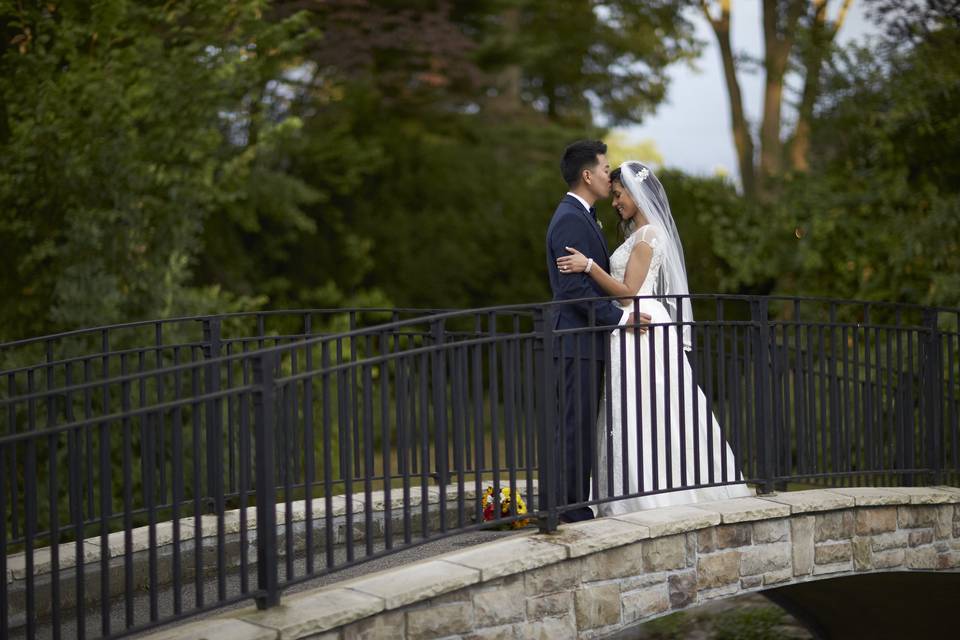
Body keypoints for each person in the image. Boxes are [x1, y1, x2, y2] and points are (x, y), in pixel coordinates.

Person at [556, 161, 752, 515]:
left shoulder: (648, 236)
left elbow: (630, 292)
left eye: (619, 195)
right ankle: (633, 486)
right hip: (631, 326)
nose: (615, 202)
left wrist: (589, 266)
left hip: (640, 324)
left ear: (636, 193)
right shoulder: (638, 234)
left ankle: (652, 491)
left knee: (647, 409)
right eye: (614, 195)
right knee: (635, 409)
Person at [545, 141, 650, 522]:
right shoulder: (571, 218)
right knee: (575, 424)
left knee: (580, 422)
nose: (610, 175)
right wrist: (621, 319)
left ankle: (568, 502)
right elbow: (572, 290)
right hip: (577, 339)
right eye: (605, 169)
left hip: (584, 340)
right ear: (587, 175)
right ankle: (569, 508)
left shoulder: (583, 215)